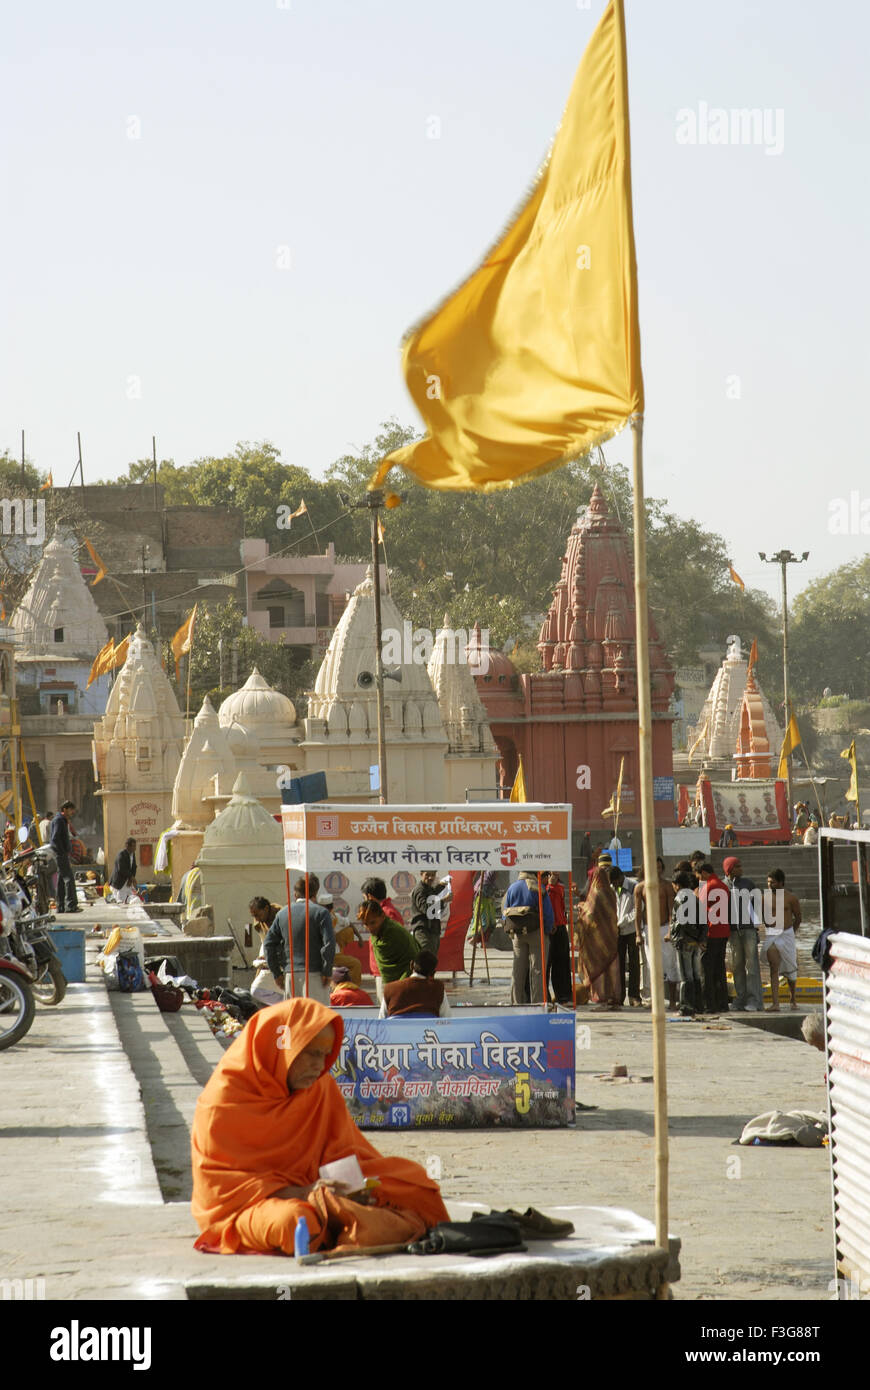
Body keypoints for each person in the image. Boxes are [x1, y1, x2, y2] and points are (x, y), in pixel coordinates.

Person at [191, 998, 449, 1255]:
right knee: (295, 1221)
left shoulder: (320, 1087)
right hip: (253, 1208)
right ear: (281, 1047)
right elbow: (223, 1190)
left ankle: (348, 1222)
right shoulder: (222, 1104)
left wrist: (352, 1188)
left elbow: (343, 1153)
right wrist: (306, 1194)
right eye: (311, 1053)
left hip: (321, 1189)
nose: (319, 1065)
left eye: (326, 1055)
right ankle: (357, 1225)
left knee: (413, 1181)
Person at [264, 875, 335, 1004]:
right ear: (315, 893)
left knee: (294, 1018)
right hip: (315, 975)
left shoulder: (282, 914)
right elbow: (329, 944)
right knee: (316, 1018)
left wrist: (276, 973)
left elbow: (268, 944)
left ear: (295, 894)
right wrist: (327, 970)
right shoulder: (321, 913)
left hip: (290, 975)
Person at [503, 869, 554, 1005]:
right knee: (537, 971)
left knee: (517, 971)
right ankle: (537, 1004)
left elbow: (504, 913)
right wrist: (548, 930)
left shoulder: (512, 888)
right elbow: (548, 913)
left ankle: (515, 1003)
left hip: (517, 935)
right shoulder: (538, 888)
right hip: (536, 932)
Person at [575, 859, 620, 1009]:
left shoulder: (596, 893)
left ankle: (601, 998)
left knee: (599, 968)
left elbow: (591, 914)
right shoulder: (612, 892)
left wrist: (581, 908)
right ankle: (614, 997)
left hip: (597, 939)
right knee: (610, 968)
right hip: (611, 937)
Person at [633, 858, 678, 1009]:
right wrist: (638, 934)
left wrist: (671, 930)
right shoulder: (640, 888)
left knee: (670, 965)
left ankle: (672, 1000)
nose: (657, 870)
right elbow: (638, 913)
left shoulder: (667, 886)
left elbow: (672, 910)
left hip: (665, 928)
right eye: (654, 867)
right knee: (652, 966)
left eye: (659, 867)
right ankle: (656, 1000)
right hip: (648, 929)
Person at [722, 855, 763, 1011]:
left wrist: (756, 927)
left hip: (748, 930)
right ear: (730, 869)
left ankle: (754, 1001)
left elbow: (756, 907)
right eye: (738, 866)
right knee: (737, 966)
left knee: (751, 966)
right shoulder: (722, 886)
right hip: (732, 932)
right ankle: (740, 999)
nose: (741, 869)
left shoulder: (748, 884)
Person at [761, 869, 802, 1011]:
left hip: (787, 934)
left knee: (791, 969)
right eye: (768, 882)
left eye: (772, 882)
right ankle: (776, 1003)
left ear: (781, 883)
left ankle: (793, 998)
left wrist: (790, 932)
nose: (769, 885)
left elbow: (798, 918)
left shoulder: (791, 898)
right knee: (774, 968)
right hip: (772, 935)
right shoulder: (763, 898)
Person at [667, 869, 705, 1017]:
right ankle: (698, 1005)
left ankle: (686, 1007)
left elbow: (682, 922)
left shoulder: (679, 898)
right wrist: (700, 938)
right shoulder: (695, 897)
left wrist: (685, 936)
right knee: (695, 974)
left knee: (685, 976)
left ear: (676, 885)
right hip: (695, 943)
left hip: (684, 941)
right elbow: (703, 920)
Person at [696, 862, 730, 1013]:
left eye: (697, 875)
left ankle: (709, 1005)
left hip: (710, 933)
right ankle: (722, 1003)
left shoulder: (707, 887)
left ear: (703, 873)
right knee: (720, 969)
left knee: (706, 970)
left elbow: (701, 912)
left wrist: (700, 937)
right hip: (723, 932)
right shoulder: (723, 886)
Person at [357, 898, 416, 986]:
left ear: (382, 916)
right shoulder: (377, 935)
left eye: (373, 923)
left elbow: (411, 958)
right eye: (366, 924)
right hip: (389, 983)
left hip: (407, 979)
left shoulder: (393, 932)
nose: (369, 928)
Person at [379, 951, 451, 1018]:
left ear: (411, 965)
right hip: (427, 1031)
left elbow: (381, 1021)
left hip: (396, 1031)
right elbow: (446, 1019)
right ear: (433, 973)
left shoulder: (390, 988)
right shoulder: (438, 988)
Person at [610, 866, 642, 1007]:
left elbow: (639, 908)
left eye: (615, 882)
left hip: (631, 929)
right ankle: (620, 995)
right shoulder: (612, 888)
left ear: (620, 878)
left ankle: (634, 995)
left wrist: (623, 921)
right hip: (617, 931)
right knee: (619, 964)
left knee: (634, 963)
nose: (614, 885)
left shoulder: (633, 886)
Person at [320, 891, 365, 987]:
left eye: (329, 907)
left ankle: (348, 986)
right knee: (356, 964)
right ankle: (351, 988)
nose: (329, 910)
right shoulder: (318, 918)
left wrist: (360, 938)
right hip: (326, 955)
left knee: (348, 931)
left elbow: (349, 923)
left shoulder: (335, 917)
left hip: (335, 953)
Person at [249, 897, 285, 1007]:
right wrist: (264, 956)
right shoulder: (259, 922)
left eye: (258, 915)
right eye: (254, 916)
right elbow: (265, 941)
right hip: (269, 957)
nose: (257, 919)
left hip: (283, 959)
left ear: (266, 908)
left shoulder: (281, 916)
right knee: (257, 990)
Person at [409, 870, 452, 958]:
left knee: (431, 960)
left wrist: (441, 885)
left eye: (433, 875)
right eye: (427, 875)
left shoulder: (428, 888)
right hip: (424, 931)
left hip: (432, 930)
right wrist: (443, 900)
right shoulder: (420, 890)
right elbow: (426, 908)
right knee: (425, 958)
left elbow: (432, 894)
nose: (430, 878)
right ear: (421, 874)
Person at [545, 871, 572, 1005]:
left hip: (560, 926)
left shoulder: (560, 888)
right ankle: (545, 997)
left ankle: (563, 996)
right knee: (546, 964)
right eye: (552, 874)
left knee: (562, 963)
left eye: (556, 874)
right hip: (548, 928)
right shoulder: (544, 888)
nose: (554, 876)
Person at [50, 800, 80, 913]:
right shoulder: (59, 821)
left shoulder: (62, 820)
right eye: (71, 810)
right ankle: (71, 905)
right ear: (65, 809)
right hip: (60, 854)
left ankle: (60, 906)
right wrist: (62, 852)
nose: (72, 812)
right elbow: (55, 838)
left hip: (60, 854)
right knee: (69, 879)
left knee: (61, 880)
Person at [108, 837, 137, 903]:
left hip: (127, 882)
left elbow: (134, 867)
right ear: (127, 846)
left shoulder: (133, 854)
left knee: (131, 897)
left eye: (135, 846)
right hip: (119, 882)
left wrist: (131, 878)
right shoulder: (121, 855)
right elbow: (121, 869)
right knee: (119, 900)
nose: (135, 848)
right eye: (133, 846)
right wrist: (131, 877)